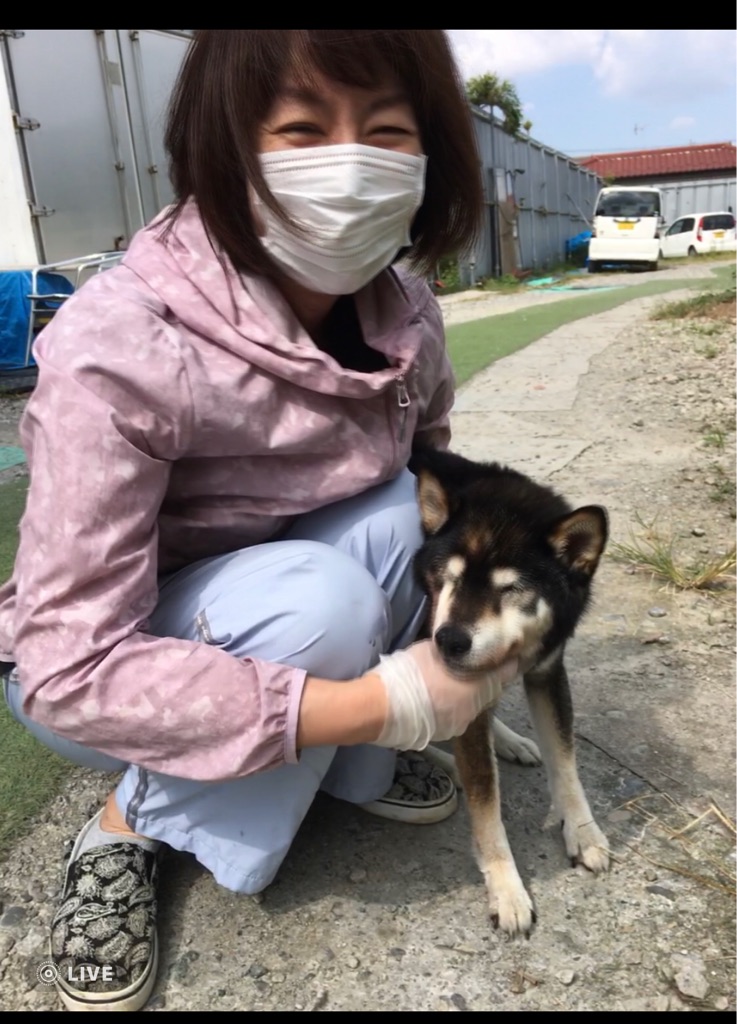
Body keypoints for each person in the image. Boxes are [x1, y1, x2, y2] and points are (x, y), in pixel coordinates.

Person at [0, 30, 518, 1012]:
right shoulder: (125, 341)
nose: (350, 164)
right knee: (321, 605)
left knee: (423, 512)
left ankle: (332, 764)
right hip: (114, 662)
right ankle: (128, 823)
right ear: (225, 144)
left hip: (280, 600)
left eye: (386, 131)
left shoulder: (405, 315)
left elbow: (434, 483)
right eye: (301, 129)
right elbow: (65, 667)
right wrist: (384, 706)